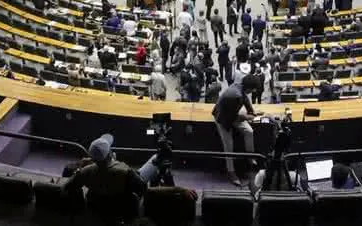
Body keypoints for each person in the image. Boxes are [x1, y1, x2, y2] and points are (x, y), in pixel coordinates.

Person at [63, 133, 197, 221]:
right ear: (110, 154)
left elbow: (67, 186)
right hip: (125, 211)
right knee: (157, 159)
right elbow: (148, 192)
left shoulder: (85, 172)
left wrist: (82, 167)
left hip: (101, 211)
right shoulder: (125, 172)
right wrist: (179, 190)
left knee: (155, 160)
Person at [212, 74, 263, 186]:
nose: (254, 91)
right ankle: (231, 172)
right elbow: (233, 117)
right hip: (222, 118)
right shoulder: (235, 96)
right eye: (253, 89)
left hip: (232, 113)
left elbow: (245, 99)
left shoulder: (240, 86)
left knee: (249, 131)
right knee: (229, 146)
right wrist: (247, 117)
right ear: (249, 88)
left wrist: (252, 112)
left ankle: (250, 158)